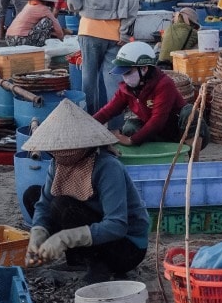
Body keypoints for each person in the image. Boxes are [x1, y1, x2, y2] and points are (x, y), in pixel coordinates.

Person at [22, 99, 150, 283]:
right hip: (90, 224)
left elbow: (117, 225)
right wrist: (38, 233)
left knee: (63, 206)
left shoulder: (107, 167)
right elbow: (43, 204)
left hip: (126, 248)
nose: (61, 154)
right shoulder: (57, 162)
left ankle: (100, 264)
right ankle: (77, 260)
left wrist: (65, 238)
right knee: (32, 195)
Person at [66, 0, 139, 116]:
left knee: (88, 80)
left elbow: (72, 1)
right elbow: (132, 6)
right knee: (113, 80)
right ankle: (115, 126)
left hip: (89, 30)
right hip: (116, 33)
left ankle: (92, 121)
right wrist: (125, 33)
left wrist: (83, 7)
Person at [93, 41, 206, 148]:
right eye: (122, 73)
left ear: (144, 68)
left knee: (189, 112)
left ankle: (193, 161)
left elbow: (157, 120)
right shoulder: (127, 88)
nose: (125, 77)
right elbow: (107, 111)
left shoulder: (164, 84)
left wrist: (131, 140)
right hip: (156, 134)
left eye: (128, 72)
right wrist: (87, 125)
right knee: (129, 127)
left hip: (178, 132)